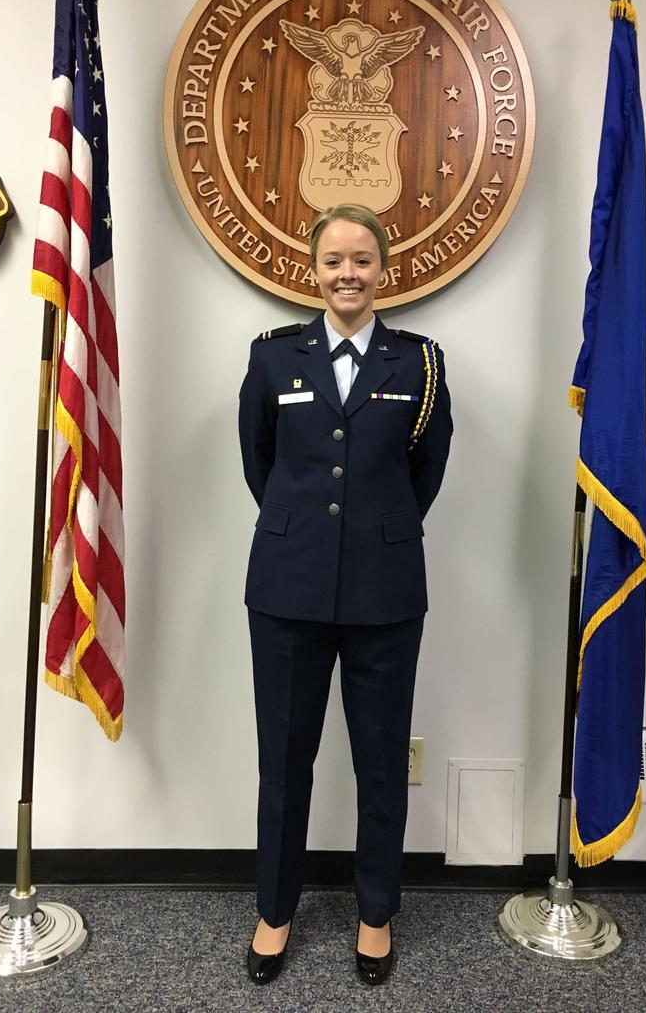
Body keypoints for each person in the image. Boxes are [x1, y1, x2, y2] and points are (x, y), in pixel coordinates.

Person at [238, 203, 452, 985]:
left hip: (385, 589)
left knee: (380, 761)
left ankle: (375, 914)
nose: (348, 274)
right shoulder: (272, 359)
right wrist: (313, 537)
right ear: (313, 269)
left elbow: (422, 474)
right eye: (334, 261)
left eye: (363, 260)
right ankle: (274, 911)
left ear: (385, 270)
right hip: (287, 589)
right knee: (284, 763)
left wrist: (370, 533)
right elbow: (262, 466)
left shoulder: (419, 364)